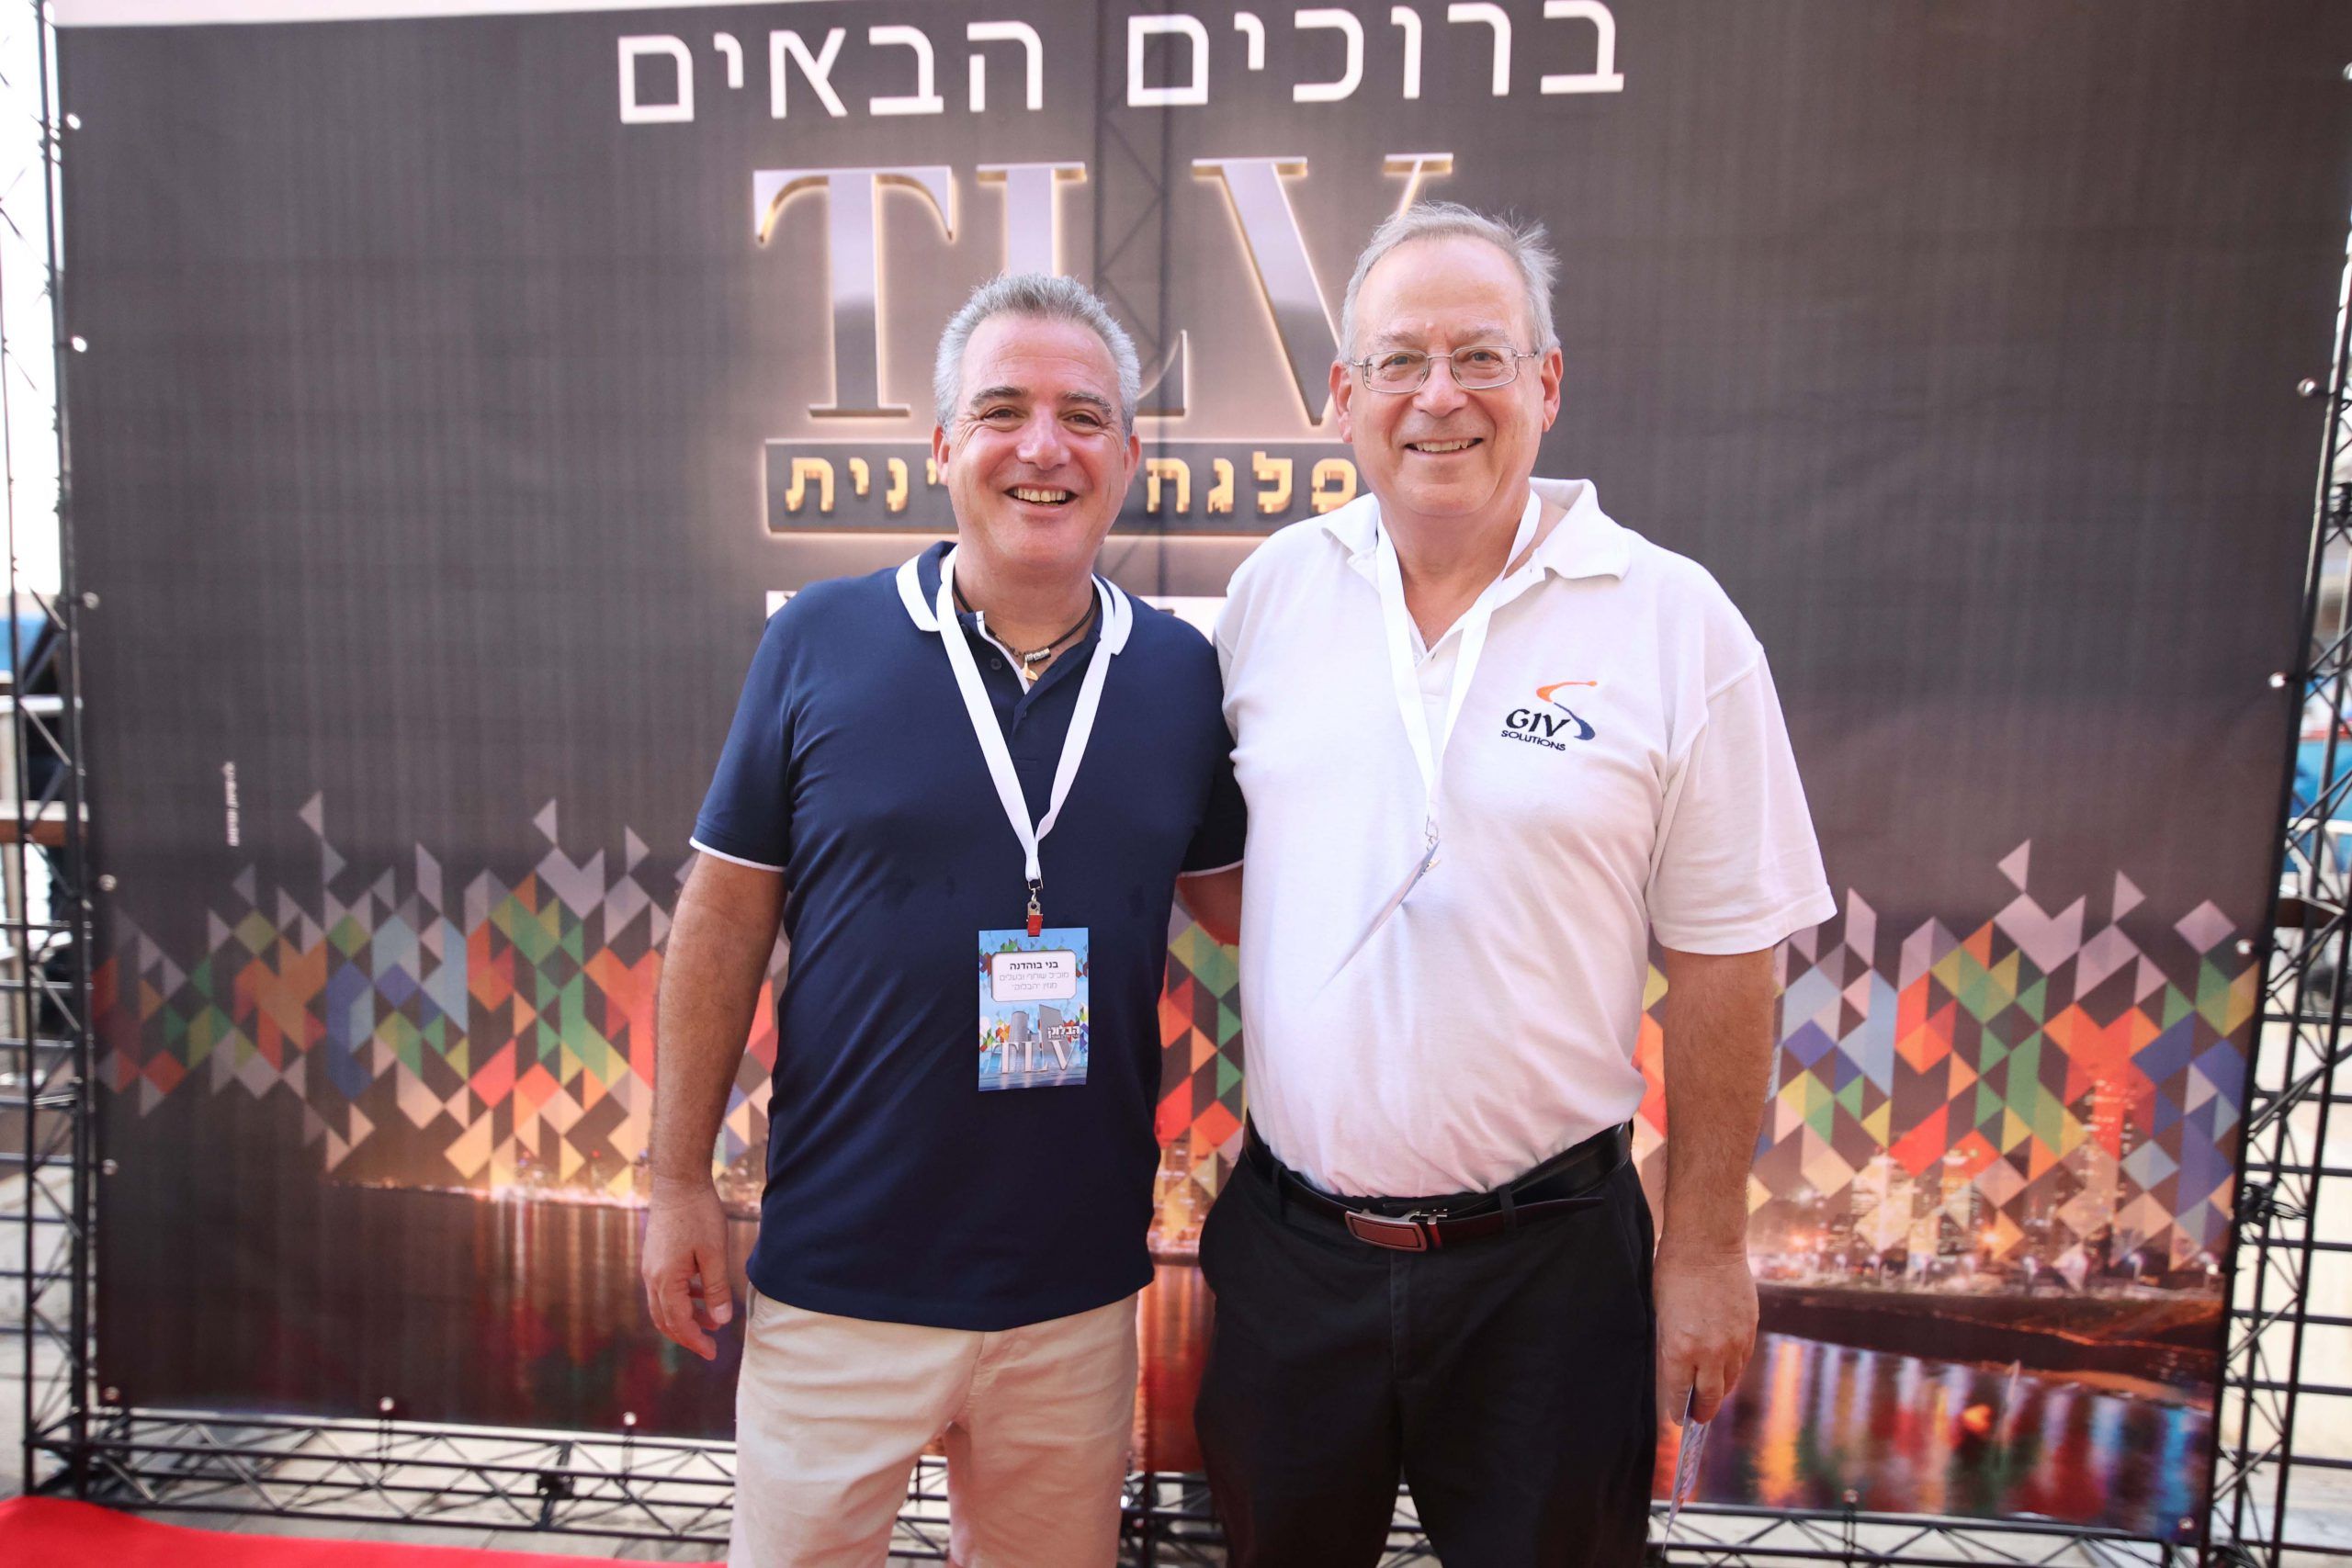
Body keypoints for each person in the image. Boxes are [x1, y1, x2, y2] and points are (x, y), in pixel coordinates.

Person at [1185, 202, 1835, 1567]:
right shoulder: (1271, 596)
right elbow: (1226, 869)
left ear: (1548, 382)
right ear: (1342, 395)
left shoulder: (1676, 621)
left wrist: (1705, 1250)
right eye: (1399, 361)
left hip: (1550, 1273)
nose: (1440, 397)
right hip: (1293, 1259)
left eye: (1480, 356)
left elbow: (1728, 957)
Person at [641, 273, 1245, 1568]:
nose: (1044, 448)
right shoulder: (820, 640)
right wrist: (676, 1179)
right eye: (1002, 411)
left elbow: (1257, 913)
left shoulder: (1182, 676)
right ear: (940, 447)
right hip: (839, 1283)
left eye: (1084, 416)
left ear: (1131, 456)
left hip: (1073, 1296)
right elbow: (724, 920)